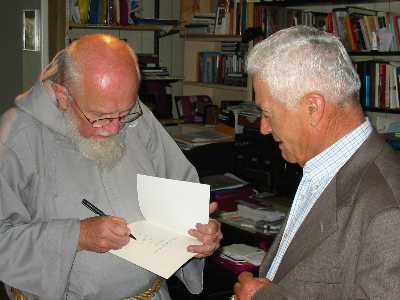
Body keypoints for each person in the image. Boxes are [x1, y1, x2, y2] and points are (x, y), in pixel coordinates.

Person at [0, 34, 223, 300]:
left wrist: (201, 233)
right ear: (62, 95)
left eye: (125, 113)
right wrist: (77, 236)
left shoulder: (137, 117)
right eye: (101, 117)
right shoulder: (17, 136)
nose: (117, 128)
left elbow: (182, 192)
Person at [233, 26, 400, 299]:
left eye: (267, 112)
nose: (263, 127)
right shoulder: (324, 169)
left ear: (313, 108)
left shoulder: (388, 211)